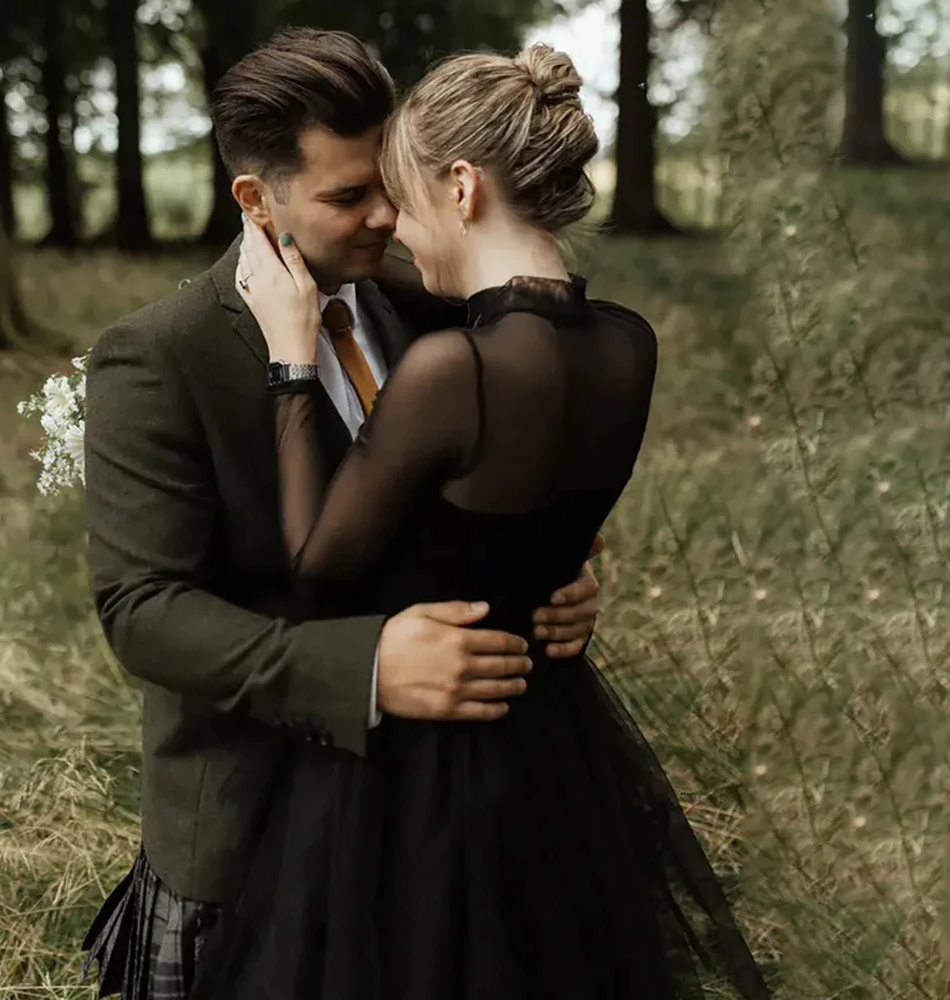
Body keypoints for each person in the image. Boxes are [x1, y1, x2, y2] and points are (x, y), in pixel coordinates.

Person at [190, 41, 772, 1000]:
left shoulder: (454, 371)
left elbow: (316, 566)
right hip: (552, 741)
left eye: (408, 202)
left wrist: (292, 360)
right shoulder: (631, 345)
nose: (399, 235)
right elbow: (540, 523)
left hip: (422, 765)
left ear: (462, 188)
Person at [79, 28, 603, 1000]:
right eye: (345, 195)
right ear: (255, 196)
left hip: (429, 826)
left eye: (388, 185)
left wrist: (552, 568)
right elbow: (142, 610)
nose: (382, 216)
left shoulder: (426, 306)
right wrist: (363, 667)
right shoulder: (159, 355)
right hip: (247, 829)